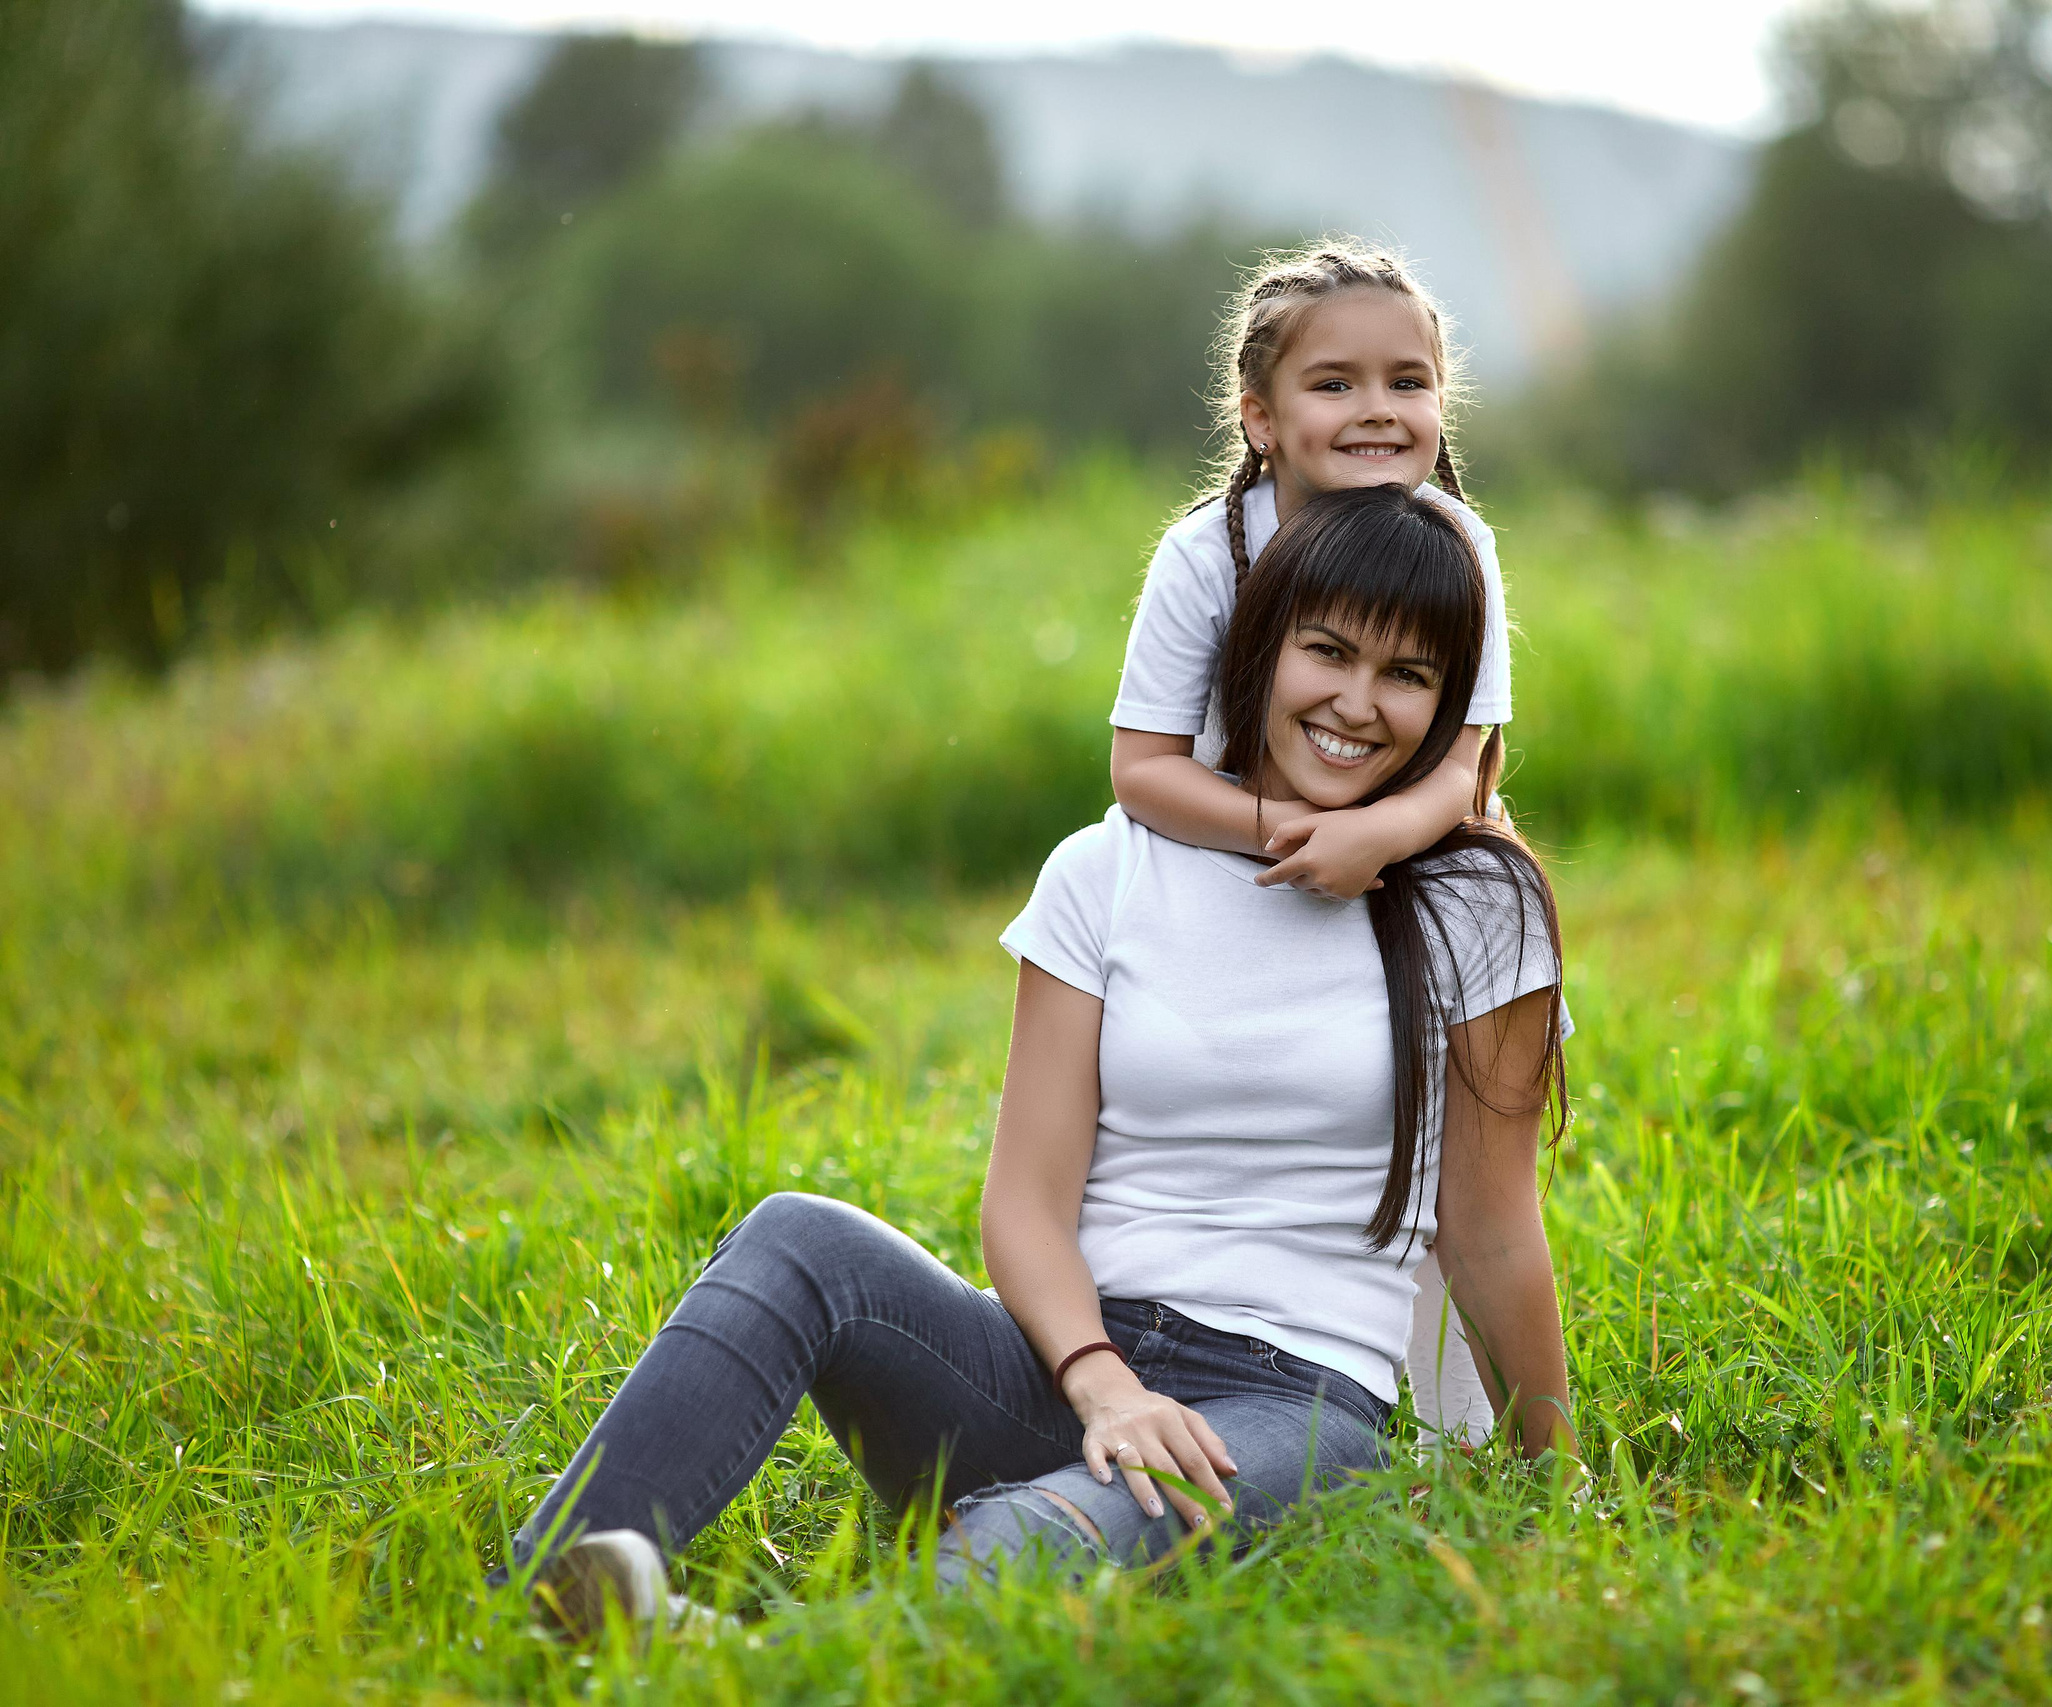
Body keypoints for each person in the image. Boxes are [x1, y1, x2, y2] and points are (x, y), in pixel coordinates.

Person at [504, 485, 1577, 1641]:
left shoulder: (1478, 901)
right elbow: (1024, 1201)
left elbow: (1492, 1229)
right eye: (1327, 651)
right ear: (1262, 646)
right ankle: (545, 1595)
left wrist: (1554, 1491)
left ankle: (749, 1663)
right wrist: (1103, 1381)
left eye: (1407, 675)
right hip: (1062, 1360)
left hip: (1294, 1404)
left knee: (1043, 1532)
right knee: (796, 1240)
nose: (1356, 705)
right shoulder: (1106, 871)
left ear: (1450, 702)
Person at [1110, 240, 1515, 1442]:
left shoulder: (1458, 543)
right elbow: (1140, 771)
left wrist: (1378, 839)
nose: (1377, 409)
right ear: (1261, 418)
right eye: (1334, 384)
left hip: (1406, 841)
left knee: (1428, 1124)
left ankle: (1449, 1398)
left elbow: (1469, 764)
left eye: (1408, 381)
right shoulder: (1205, 555)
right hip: (1239, 850)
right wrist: (1287, 831)